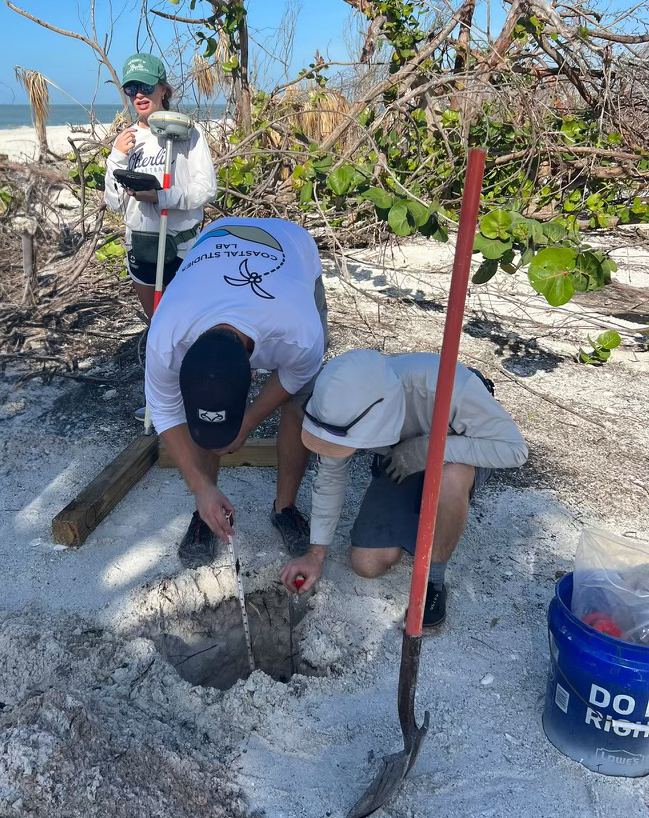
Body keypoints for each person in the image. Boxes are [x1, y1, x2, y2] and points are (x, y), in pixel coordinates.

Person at [279, 349, 528, 628]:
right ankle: (423, 512)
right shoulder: (341, 399)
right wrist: (316, 554)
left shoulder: (448, 387)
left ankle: (434, 580)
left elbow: (515, 450)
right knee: (367, 563)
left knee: (452, 478)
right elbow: (330, 475)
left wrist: (430, 448)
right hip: (398, 452)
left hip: (460, 446)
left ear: (381, 414)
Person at [145, 217, 327, 564]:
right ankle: (204, 513)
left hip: (292, 246)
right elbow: (166, 411)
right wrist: (201, 488)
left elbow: (293, 379)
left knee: (300, 403)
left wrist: (246, 422)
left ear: (253, 371)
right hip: (217, 243)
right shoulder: (165, 339)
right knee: (210, 417)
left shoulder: (298, 332)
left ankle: (285, 507)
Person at [105, 53, 217, 319]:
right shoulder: (127, 139)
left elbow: (207, 188)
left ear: (163, 89)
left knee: (187, 322)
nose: (139, 96)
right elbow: (113, 203)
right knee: (157, 323)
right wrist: (116, 157)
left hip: (181, 246)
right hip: (140, 245)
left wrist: (162, 197)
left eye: (146, 87)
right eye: (132, 89)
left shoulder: (190, 132)